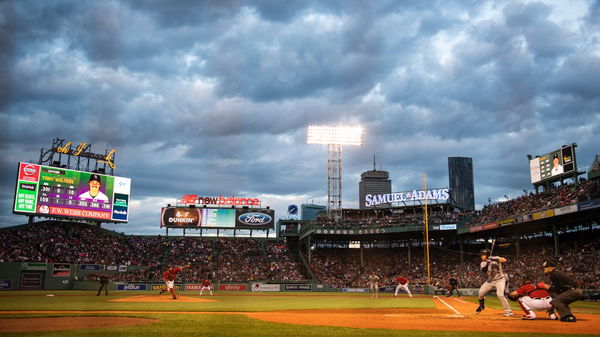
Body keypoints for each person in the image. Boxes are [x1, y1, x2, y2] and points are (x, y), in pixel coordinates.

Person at [475, 249, 513, 317]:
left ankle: (508, 311)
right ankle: (482, 305)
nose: (481, 256)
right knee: (481, 292)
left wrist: (493, 259)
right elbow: (484, 270)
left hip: (500, 280)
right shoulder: (482, 263)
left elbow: (504, 260)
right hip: (490, 281)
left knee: (500, 295)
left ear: (486, 255)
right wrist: (487, 263)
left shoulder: (495, 258)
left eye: (482, 255)